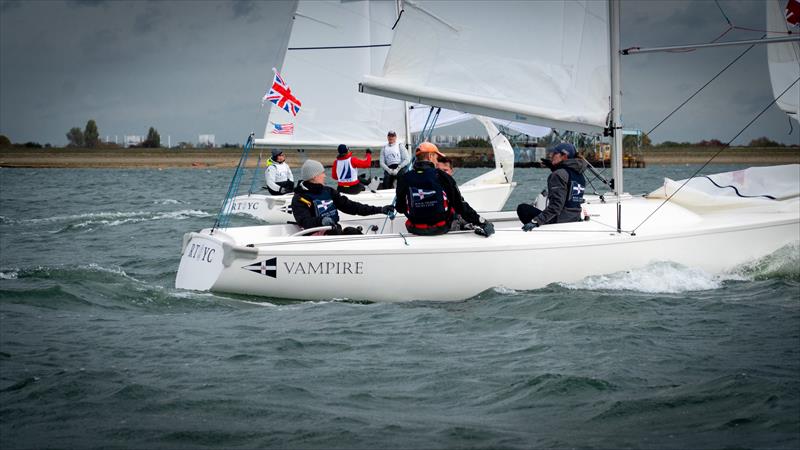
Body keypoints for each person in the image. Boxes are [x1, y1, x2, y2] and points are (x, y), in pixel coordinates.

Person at [395, 142, 494, 237]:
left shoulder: (404, 178)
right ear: (430, 156)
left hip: (415, 228)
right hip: (440, 228)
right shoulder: (441, 176)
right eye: (436, 158)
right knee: (454, 206)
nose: (437, 161)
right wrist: (482, 222)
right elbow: (460, 206)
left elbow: (400, 208)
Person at [292, 159, 394, 235]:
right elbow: (305, 221)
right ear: (314, 176)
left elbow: (351, 206)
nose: (325, 176)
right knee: (337, 233)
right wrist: (321, 221)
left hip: (334, 232)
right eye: (322, 173)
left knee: (352, 232)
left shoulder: (328, 191)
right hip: (317, 238)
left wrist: (380, 209)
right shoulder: (300, 198)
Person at [517, 142, 587, 231]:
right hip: (574, 218)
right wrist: (554, 167)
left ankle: (534, 232)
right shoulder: (579, 175)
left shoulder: (558, 174)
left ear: (564, 156)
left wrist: (536, 221)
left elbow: (556, 206)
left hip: (559, 221)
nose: (551, 155)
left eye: (554, 153)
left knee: (523, 209)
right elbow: (567, 180)